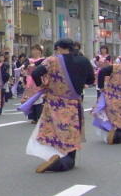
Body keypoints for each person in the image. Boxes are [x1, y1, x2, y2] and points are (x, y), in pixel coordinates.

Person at [26, 38, 94, 172]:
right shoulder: (84, 60)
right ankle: (64, 160)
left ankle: (54, 156)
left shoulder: (52, 60)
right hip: (73, 103)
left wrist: (43, 85)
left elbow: (35, 73)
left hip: (54, 102)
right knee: (71, 133)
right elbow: (91, 79)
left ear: (59, 48)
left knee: (53, 130)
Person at [93, 44, 121, 145]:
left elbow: (101, 72)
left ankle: (113, 132)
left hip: (112, 97)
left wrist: (101, 86)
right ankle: (117, 136)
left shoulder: (115, 67)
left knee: (113, 118)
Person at [21, 45, 45, 123]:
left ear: (40, 51)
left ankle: (39, 116)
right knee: (30, 98)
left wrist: (34, 65)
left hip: (38, 81)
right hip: (30, 82)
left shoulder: (42, 60)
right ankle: (33, 117)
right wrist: (23, 66)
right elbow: (25, 64)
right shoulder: (29, 60)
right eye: (33, 50)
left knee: (38, 98)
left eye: (36, 50)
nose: (34, 52)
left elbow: (39, 64)